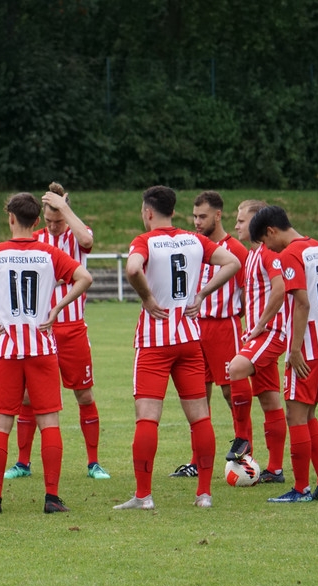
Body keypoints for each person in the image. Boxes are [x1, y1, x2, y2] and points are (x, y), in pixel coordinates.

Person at [0, 192, 93, 514]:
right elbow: (85, 277)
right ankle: (52, 498)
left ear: (10, 218)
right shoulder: (49, 253)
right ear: (38, 221)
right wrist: (56, 307)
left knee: (1, 423)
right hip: (42, 347)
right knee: (50, 422)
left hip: (6, 349)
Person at [115, 186, 241, 510]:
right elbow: (232, 263)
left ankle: (143, 496)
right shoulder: (194, 240)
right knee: (200, 417)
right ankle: (204, 495)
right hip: (189, 338)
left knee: (147, 418)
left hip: (155, 341)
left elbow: (132, 269)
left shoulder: (145, 241)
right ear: (174, 211)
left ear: (147, 212)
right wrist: (201, 295)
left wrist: (146, 297)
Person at [8, 183, 110, 481]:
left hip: (72, 328)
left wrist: (65, 207)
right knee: (28, 397)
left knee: (83, 393)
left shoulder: (77, 237)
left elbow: (88, 240)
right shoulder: (35, 239)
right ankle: (23, 463)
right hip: (40, 330)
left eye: (59, 220)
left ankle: (93, 463)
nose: (54, 227)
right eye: (49, 221)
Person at [248, 205, 318, 503]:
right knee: (309, 414)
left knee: (295, 415)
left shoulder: (289, 254)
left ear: (272, 231)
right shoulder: (317, 248)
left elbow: (302, 303)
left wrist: (295, 349)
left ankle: (301, 489)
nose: (266, 248)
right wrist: (262, 324)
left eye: (264, 241)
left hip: (308, 345)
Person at [170, 191, 251, 478]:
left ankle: (245, 452)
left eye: (202, 216)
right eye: (194, 216)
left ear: (218, 215)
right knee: (197, 395)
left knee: (231, 391)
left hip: (224, 327)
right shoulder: (193, 246)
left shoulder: (236, 251)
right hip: (195, 328)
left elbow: (248, 291)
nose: (197, 221)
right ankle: (197, 461)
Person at [227, 199, 288, 483]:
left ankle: (242, 439)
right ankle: (275, 469)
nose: (236, 225)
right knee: (269, 400)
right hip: (258, 333)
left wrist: (261, 324)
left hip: (271, 332)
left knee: (236, 368)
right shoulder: (252, 255)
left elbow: (281, 288)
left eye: (241, 221)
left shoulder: (267, 253)